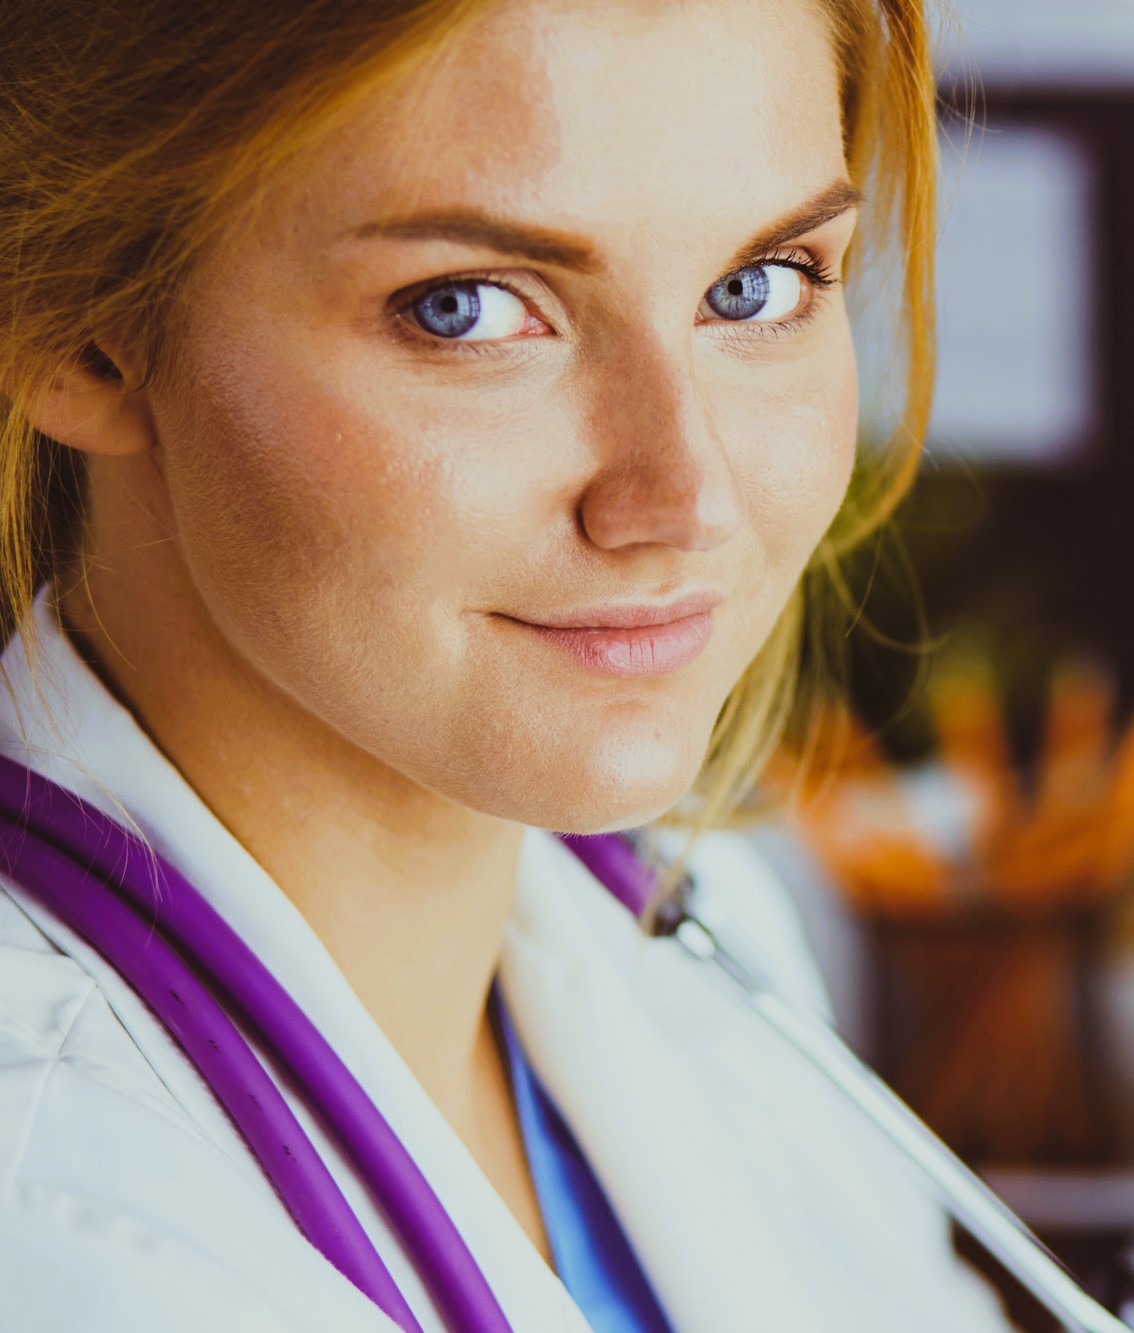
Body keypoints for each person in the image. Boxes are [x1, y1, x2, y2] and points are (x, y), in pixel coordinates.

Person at [0, 1, 1018, 1329]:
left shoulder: (694, 930)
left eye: (757, 287)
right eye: (465, 308)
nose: (681, 496)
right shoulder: (71, 1244)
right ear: (71, 319)